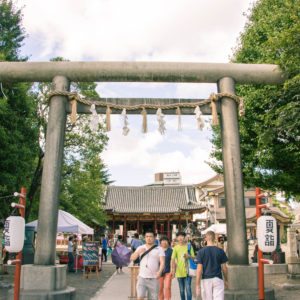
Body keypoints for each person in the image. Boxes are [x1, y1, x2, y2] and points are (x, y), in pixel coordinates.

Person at [130, 231, 165, 300]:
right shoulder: (140, 247)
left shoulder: (159, 249)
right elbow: (132, 258)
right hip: (142, 277)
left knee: (153, 298)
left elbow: (162, 262)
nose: (149, 238)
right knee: (140, 297)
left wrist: (160, 271)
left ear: (154, 238)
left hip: (154, 278)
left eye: (150, 236)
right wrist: (138, 252)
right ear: (144, 238)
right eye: (147, 236)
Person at [195, 231, 228, 300]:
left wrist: (197, 285)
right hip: (218, 278)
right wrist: (226, 280)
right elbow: (224, 268)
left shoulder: (201, 252)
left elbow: (199, 270)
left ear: (205, 239)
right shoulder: (220, 251)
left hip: (206, 279)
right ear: (215, 238)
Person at [171, 232, 195, 300]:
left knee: (188, 289)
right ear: (177, 238)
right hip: (179, 272)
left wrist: (189, 256)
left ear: (185, 237)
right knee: (181, 291)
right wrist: (173, 271)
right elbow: (172, 259)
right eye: (179, 236)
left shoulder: (189, 246)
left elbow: (194, 258)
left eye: (182, 236)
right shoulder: (176, 248)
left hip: (188, 272)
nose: (180, 238)